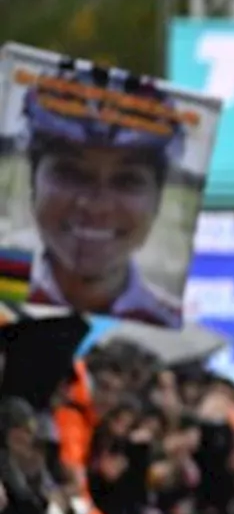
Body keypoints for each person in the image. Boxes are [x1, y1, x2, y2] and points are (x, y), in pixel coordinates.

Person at [20, 65, 186, 327]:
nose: (97, 206)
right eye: (71, 173)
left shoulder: (171, 324)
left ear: (158, 200)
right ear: (33, 182)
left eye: (127, 180)